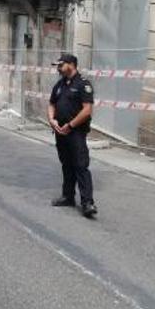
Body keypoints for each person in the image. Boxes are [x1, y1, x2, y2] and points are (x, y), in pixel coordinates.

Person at [48, 53, 97, 218]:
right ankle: (68, 196)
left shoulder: (83, 84)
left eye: (61, 65)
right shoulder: (60, 85)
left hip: (75, 132)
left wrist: (70, 125)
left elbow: (87, 110)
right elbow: (51, 104)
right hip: (60, 131)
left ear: (71, 65)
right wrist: (52, 120)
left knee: (81, 166)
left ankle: (87, 202)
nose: (58, 68)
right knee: (66, 165)